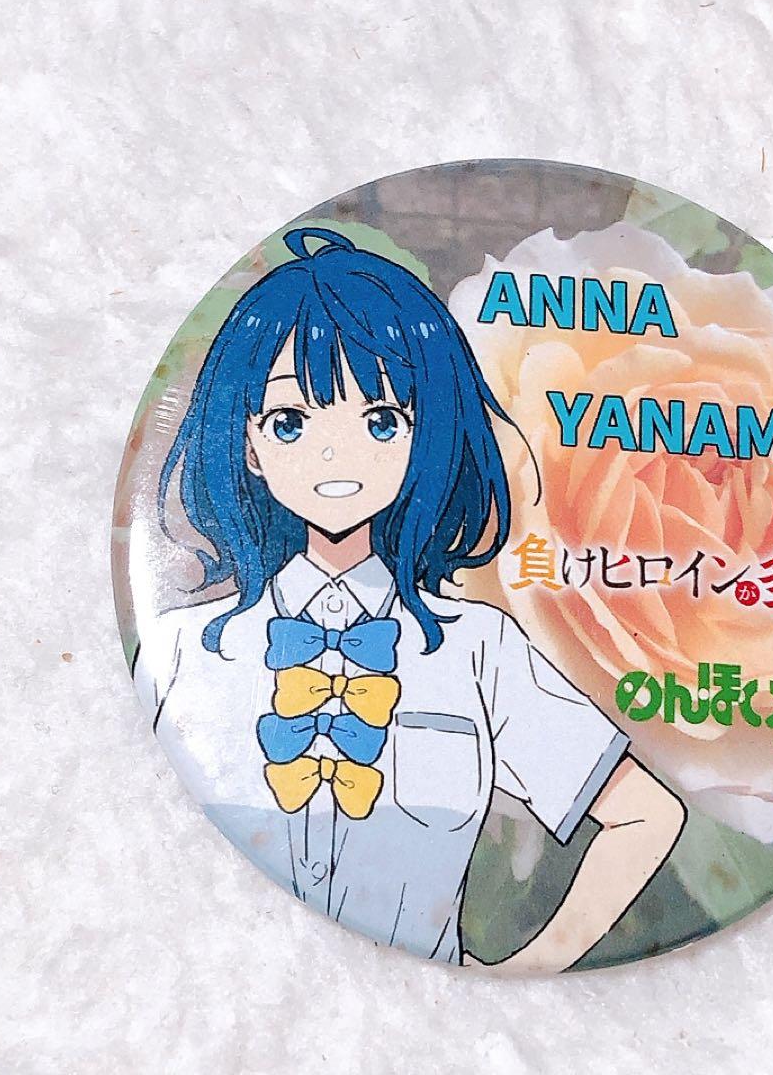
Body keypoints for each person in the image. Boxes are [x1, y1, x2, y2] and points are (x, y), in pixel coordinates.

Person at [134, 227, 685, 972]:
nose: (336, 454)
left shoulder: (478, 649)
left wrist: (524, 967)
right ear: (249, 444)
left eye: (381, 421)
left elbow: (646, 815)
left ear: (426, 436)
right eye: (291, 422)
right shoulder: (179, 650)